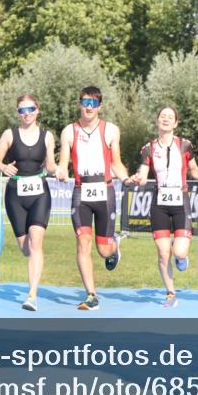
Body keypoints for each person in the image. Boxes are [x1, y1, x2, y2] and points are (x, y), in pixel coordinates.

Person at [126, 106, 198, 308]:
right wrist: (138, 177)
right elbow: (144, 174)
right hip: (159, 203)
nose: (166, 119)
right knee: (164, 253)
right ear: (157, 121)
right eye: (162, 116)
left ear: (176, 123)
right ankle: (170, 292)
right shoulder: (148, 148)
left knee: (178, 252)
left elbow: (194, 171)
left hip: (181, 201)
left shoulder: (185, 145)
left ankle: (182, 259)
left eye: (170, 117)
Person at [55, 86, 130, 311]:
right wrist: (60, 171)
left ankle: (114, 248)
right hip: (81, 192)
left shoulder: (111, 130)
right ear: (79, 104)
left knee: (103, 250)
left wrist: (126, 178)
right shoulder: (69, 131)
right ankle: (91, 295)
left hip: (104, 191)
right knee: (83, 242)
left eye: (94, 103)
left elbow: (116, 162)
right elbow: (63, 163)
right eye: (85, 102)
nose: (89, 107)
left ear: (100, 106)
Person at [0, 94, 57, 312]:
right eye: (22, 110)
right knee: (26, 248)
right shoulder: (9, 134)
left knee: (36, 244)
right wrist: (3, 167)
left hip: (39, 192)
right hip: (15, 194)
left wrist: (60, 170)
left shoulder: (47, 136)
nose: (26, 113)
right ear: (18, 113)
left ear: (37, 110)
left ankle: (32, 295)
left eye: (30, 108)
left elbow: (50, 165)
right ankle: (31, 273)